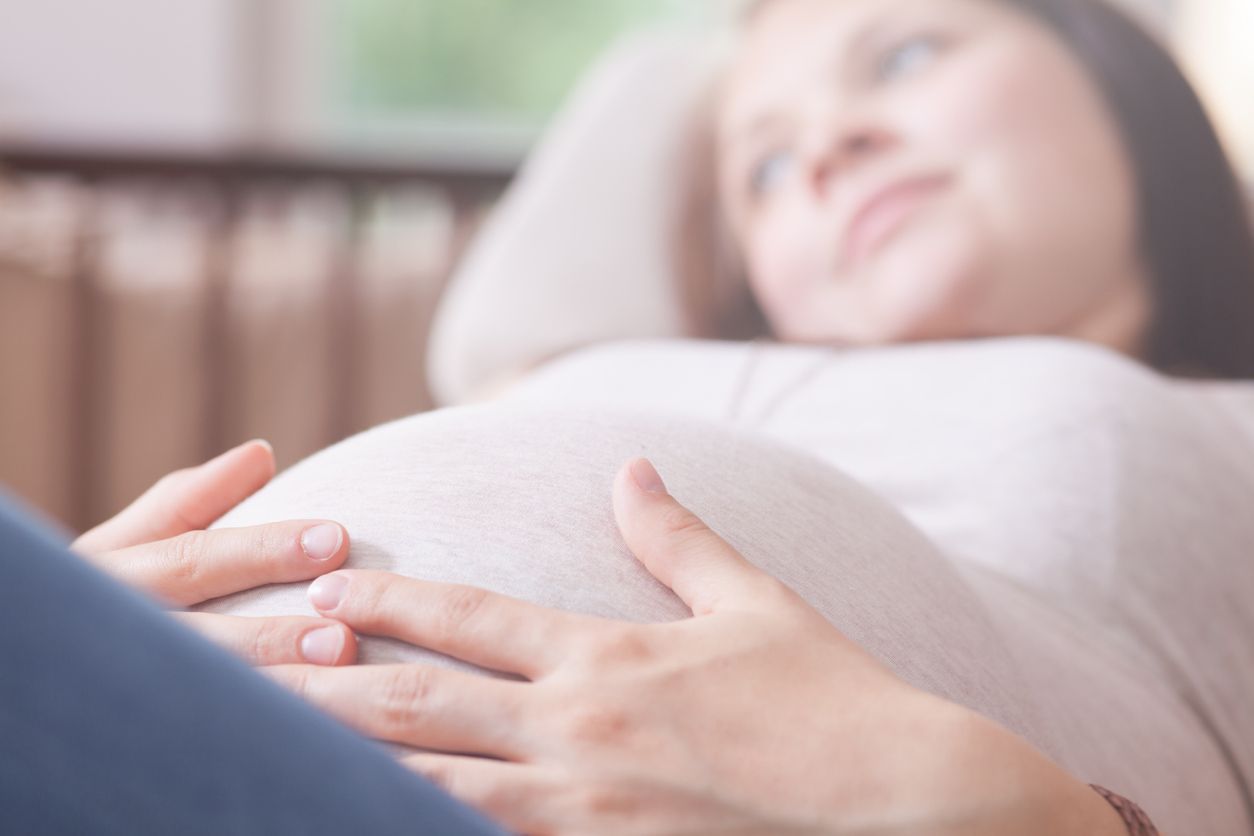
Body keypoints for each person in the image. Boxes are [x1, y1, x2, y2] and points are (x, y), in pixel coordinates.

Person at [32, 0, 1254, 832]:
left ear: (1118, 63)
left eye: (902, 55)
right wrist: (59, 652)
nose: (826, 146)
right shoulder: (616, 368)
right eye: (763, 170)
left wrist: (1030, 813)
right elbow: (502, 325)